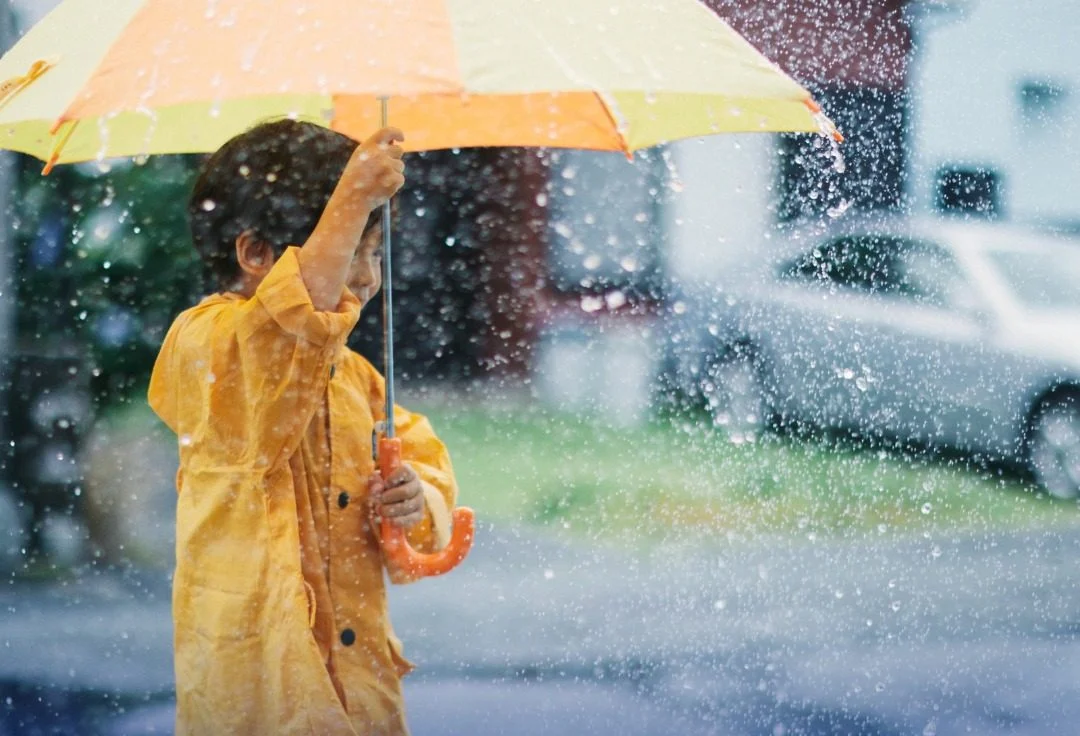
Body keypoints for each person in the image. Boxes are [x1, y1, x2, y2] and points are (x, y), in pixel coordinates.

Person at [148, 119, 458, 735]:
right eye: (352, 250)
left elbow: (425, 469)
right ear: (255, 253)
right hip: (260, 683)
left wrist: (415, 498)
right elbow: (285, 329)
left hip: (358, 683)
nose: (368, 277)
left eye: (375, 252)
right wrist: (352, 196)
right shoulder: (205, 342)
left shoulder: (357, 376)